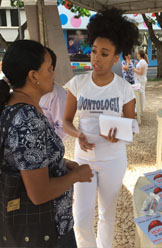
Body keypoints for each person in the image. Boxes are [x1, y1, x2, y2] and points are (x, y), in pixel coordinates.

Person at [0, 39, 93, 247]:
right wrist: (76, 176)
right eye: (49, 68)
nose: (53, 73)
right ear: (33, 76)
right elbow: (39, 193)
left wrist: (59, 163)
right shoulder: (28, 120)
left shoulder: (13, 107)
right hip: (46, 230)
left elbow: (22, 161)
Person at [63, 8, 139, 248]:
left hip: (113, 159)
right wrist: (77, 134)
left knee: (107, 214)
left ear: (116, 58)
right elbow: (66, 120)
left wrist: (120, 134)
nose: (96, 58)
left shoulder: (124, 89)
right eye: (94, 51)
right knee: (81, 216)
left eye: (104, 53)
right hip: (83, 158)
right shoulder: (78, 83)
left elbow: (132, 124)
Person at [39, 47, 68, 140]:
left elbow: (63, 128)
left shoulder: (58, 95)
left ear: (51, 69)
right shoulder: (30, 91)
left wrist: (47, 147)